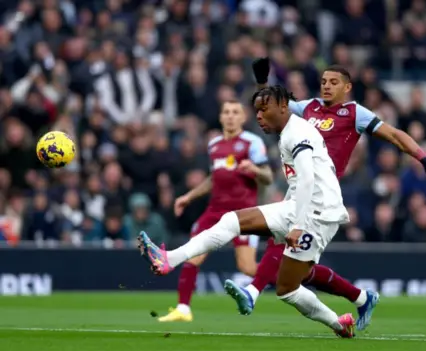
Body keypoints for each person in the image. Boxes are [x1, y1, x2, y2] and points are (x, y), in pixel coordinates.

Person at [222, 59, 426, 331]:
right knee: (300, 271)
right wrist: (261, 83)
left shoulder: (355, 113)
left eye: (334, 82)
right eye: (324, 81)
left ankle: (252, 292)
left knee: (281, 243)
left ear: (348, 87)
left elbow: (395, 135)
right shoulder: (307, 107)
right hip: (300, 188)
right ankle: (361, 297)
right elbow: (271, 106)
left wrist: (424, 159)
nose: (327, 86)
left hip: (322, 196)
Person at [139, 85, 358, 338]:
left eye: (265, 110)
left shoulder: (297, 132)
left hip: (316, 213)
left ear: (283, 107)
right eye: (257, 111)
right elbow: (302, 183)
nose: (259, 116)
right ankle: (340, 324)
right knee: (284, 285)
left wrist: (297, 224)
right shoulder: (288, 131)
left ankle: (170, 260)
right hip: (307, 208)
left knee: (242, 233)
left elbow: (308, 179)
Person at [156, 100, 273, 322]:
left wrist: (255, 169)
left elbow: (267, 176)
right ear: (220, 117)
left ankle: (291, 281)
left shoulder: (252, 142)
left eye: (235, 112)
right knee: (192, 255)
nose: (230, 116)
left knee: (247, 267)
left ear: (243, 117)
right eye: (226, 112)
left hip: (244, 214)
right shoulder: (214, 145)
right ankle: (183, 308)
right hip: (215, 211)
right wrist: (188, 197)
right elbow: (214, 178)